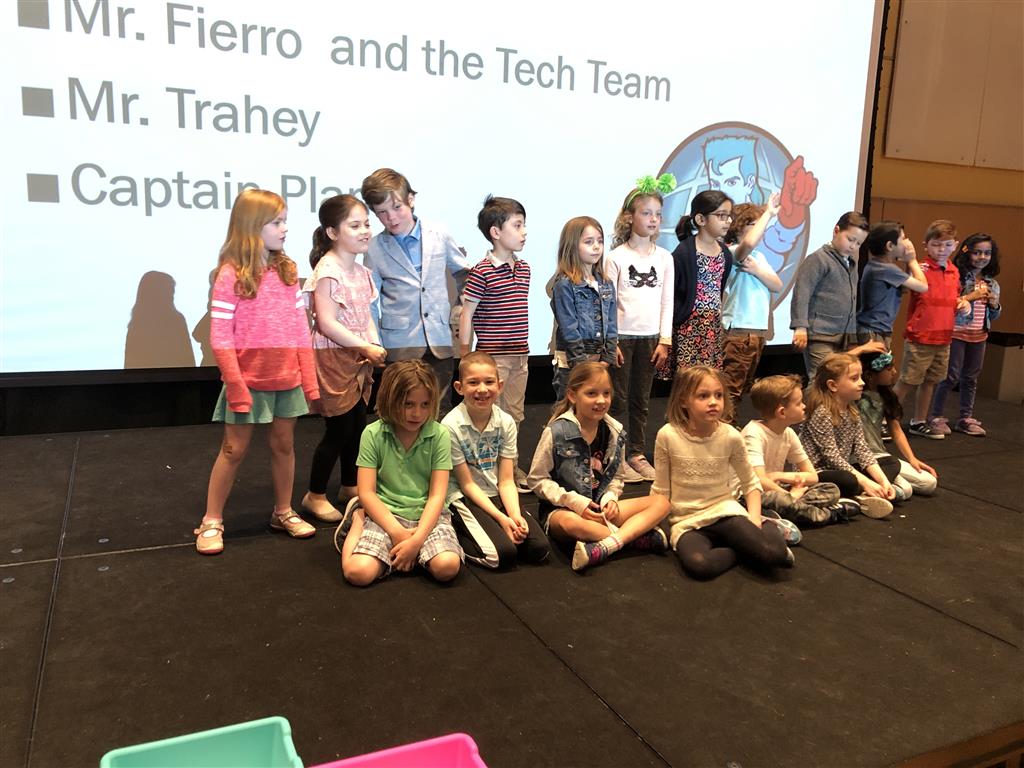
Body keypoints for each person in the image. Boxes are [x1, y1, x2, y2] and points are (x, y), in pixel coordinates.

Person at [197, 189, 320, 555]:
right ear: (252, 226)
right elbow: (221, 337)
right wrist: (236, 384)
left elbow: (300, 330)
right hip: (247, 380)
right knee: (233, 449)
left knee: (284, 445)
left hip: (287, 377)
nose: (285, 229)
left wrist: (309, 381)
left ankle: (283, 511)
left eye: (285, 222)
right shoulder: (229, 275)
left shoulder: (288, 271)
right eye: (276, 222)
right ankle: (211, 520)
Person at [651, 366, 794, 580]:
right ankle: (742, 550)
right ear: (683, 401)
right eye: (703, 396)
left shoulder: (730, 436)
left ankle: (768, 522)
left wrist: (755, 519)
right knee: (700, 564)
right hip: (686, 521)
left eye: (718, 395)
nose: (713, 402)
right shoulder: (667, 435)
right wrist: (657, 525)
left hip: (724, 512)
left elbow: (750, 482)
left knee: (774, 555)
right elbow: (661, 489)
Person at [526, 362, 670, 573]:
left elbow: (616, 477)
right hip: (563, 510)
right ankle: (634, 537)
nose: (601, 400)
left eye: (606, 393)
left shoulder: (615, 431)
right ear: (572, 395)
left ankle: (606, 545)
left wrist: (610, 498)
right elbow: (537, 479)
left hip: (600, 510)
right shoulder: (556, 431)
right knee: (571, 524)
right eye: (591, 393)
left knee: (661, 502)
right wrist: (574, 502)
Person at [335, 360, 462, 585]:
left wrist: (416, 541)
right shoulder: (373, 434)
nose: (417, 413)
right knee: (357, 573)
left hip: (427, 516)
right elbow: (367, 492)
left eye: (425, 404)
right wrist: (398, 534)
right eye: (408, 404)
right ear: (390, 400)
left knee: (447, 567)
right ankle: (358, 518)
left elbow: (437, 495)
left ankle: (407, 555)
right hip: (386, 513)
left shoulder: (440, 434)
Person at [300, 195, 386, 522]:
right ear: (333, 232)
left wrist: (372, 343)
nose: (365, 231)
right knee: (338, 430)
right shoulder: (328, 270)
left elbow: (365, 316)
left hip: (358, 357)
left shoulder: (361, 272)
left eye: (366, 224)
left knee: (358, 427)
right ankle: (315, 495)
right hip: (333, 357)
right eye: (355, 225)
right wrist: (365, 347)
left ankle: (350, 485)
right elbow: (327, 323)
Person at [360, 168, 471, 413]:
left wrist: (459, 313)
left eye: (397, 207)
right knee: (399, 410)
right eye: (382, 213)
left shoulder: (439, 234)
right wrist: (374, 341)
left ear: (410, 199)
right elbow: (369, 300)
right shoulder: (374, 247)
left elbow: (465, 275)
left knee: (439, 410)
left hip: (439, 341)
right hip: (399, 344)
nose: (391, 218)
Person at [442, 352, 549, 569]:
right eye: (473, 382)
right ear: (459, 388)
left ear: (499, 386)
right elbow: (467, 484)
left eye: (489, 382)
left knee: (539, 549)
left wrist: (514, 516)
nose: (482, 389)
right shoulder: (450, 426)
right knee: (502, 556)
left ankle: (497, 527)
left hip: (496, 491)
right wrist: (502, 519)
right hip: (466, 496)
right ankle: (457, 532)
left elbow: (507, 480)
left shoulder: (506, 422)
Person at [606, 175, 676, 482]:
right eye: (646, 213)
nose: (653, 219)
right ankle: (616, 455)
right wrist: (611, 340)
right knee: (618, 398)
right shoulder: (616, 258)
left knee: (641, 400)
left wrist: (665, 339)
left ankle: (636, 453)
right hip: (622, 338)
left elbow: (667, 300)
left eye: (657, 214)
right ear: (629, 217)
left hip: (651, 339)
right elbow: (608, 302)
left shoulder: (664, 258)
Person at [459, 196, 532, 489]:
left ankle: (510, 468)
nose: (524, 232)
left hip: (521, 355)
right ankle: (483, 471)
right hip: (493, 358)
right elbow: (467, 313)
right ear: (496, 232)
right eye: (517, 225)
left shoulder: (524, 268)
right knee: (489, 414)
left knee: (515, 415)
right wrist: (465, 354)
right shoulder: (482, 271)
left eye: (524, 225)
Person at [743, 375, 852, 527]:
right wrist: (790, 495)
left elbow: (812, 476)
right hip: (751, 495)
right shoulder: (753, 433)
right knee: (780, 500)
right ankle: (831, 514)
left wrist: (779, 476)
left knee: (830, 489)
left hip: (777, 488)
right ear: (782, 412)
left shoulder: (788, 433)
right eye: (799, 403)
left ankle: (789, 511)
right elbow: (759, 481)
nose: (804, 406)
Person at [892, 220, 967, 439]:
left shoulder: (954, 271)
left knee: (931, 382)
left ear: (956, 245)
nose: (942, 250)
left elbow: (952, 299)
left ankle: (919, 421)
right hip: (920, 336)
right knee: (907, 381)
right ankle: (884, 421)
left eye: (947, 245)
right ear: (926, 245)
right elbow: (911, 289)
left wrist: (962, 304)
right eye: (936, 245)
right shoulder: (921, 269)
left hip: (944, 337)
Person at [799, 353, 896, 518]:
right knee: (848, 480)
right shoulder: (822, 412)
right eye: (854, 378)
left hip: (842, 467)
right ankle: (859, 495)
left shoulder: (852, 410)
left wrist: (883, 481)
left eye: (860, 377)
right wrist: (865, 481)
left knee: (891, 463)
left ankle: (867, 493)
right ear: (833, 385)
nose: (862, 383)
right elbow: (832, 458)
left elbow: (862, 449)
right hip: (820, 471)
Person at [790, 212, 882, 378]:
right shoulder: (818, 259)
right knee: (820, 379)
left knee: (839, 380)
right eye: (850, 239)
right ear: (836, 230)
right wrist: (800, 327)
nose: (853, 246)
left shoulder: (851, 263)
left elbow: (852, 301)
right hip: (820, 334)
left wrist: (854, 335)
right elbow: (802, 292)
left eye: (859, 243)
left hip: (844, 336)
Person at [928, 233, 1002, 436]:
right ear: (967, 253)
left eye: (987, 253)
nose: (982, 257)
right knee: (950, 376)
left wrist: (995, 304)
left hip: (979, 335)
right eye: (977, 252)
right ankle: (935, 416)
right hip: (957, 333)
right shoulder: (957, 278)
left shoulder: (992, 283)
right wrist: (971, 296)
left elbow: (994, 315)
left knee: (971, 377)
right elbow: (949, 306)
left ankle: (965, 417)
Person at [720, 194, 784, 415]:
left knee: (742, 387)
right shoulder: (731, 251)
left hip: (756, 332)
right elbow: (748, 243)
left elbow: (777, 285)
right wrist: (769, 213)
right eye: (754, 224)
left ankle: (729, 423)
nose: (761, 229)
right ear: (739, 226)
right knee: (731, 388)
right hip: (739, 331)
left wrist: (757, 270)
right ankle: (724, 426)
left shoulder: (759, 258)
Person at [658, 190, 734, 379]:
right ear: (701, 219)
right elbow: (672, 293)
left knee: (710, 378)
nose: (728, 221)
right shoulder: (683, 253)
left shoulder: (725, 253)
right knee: (688, 379)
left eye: (729, 215)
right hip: (688, 325)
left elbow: (719, 288)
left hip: (712, 326)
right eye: (721, 215)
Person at [550, 217, 617, 401]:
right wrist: (580, 363)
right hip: (572, 362)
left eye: (600, 241)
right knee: (569, 407)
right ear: (572, 246)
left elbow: (611, 322)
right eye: (589, 242)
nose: (596, 247)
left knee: (595, 407)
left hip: (599, 360)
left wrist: (607, 357)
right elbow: (569, 328)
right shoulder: (565, 284)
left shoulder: (605, 283)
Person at [858, 351, 938, 499]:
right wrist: (862, 349)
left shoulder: (886, 396)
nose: (894, 372)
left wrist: (912, 459)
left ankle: (876, 489)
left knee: (929, 483)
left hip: (880, 455)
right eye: (889, 369)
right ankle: (870, 492)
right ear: (870, 374)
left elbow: (896, 430)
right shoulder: (855, 395)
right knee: (905, 490)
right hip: (858, 457)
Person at [856, 221, 928, 349]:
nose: (907, 242)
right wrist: (912, 260)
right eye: (903, 238)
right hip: (873, 331)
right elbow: (923, 286)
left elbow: (905, 287)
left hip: (873, 329)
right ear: (890, 246)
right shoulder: (886, 269)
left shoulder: (877, 265)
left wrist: (907, 263)